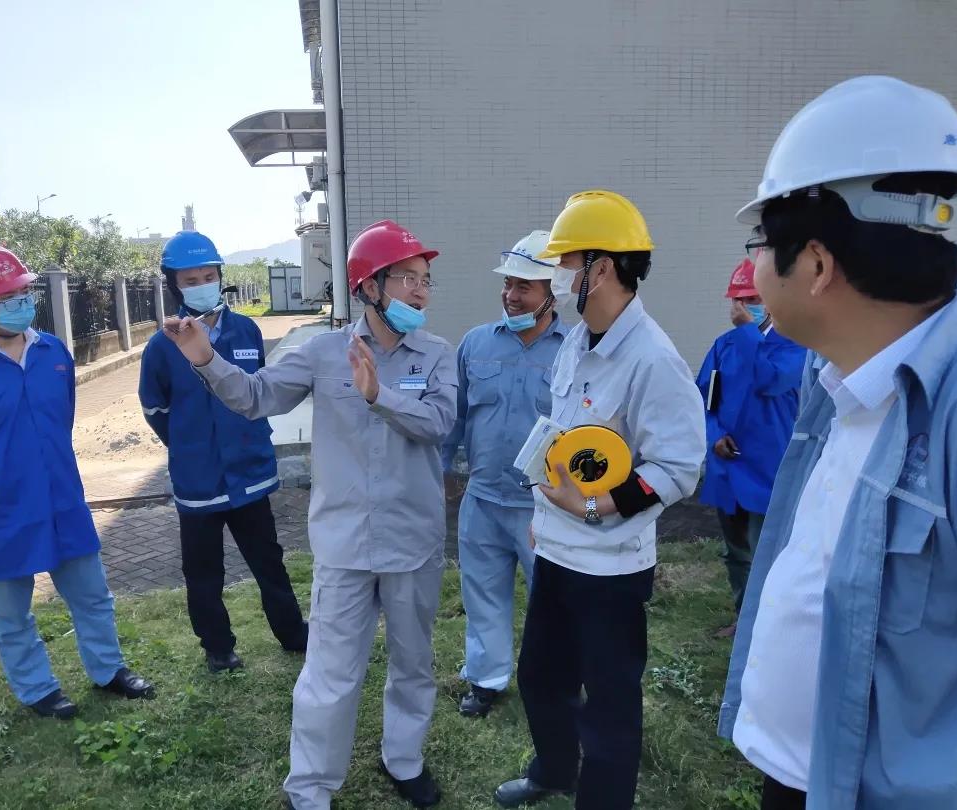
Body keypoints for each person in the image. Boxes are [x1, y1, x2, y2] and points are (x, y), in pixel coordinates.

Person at [718, 75, 957, 809]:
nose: (752, 271)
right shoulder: (832, 377)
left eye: (760, 244)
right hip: (806, 775)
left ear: (817, 264)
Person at [160, 219, 456, 810]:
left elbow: (439, 424)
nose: (421, 290)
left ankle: (404, 760)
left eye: (426, 280)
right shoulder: (323, 352)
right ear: (369, 286)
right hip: (345, 543)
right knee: (330, 671)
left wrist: (379, 396)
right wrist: (205, 359)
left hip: (413, 541)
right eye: (408, 278)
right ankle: (312, 787)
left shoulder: (438, 355)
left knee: (413, 662)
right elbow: (254, 398)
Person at [494, 191, 706, 809]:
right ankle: (555, 770)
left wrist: (593, 508)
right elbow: (564, 433)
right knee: (541, 678)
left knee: (609, 707)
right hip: (556, 551)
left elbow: (676, 469)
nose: (557, 276)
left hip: (610, 569)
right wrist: (545, 513)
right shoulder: (580, 339)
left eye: (566, 263)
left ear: (603, 267)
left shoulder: (653, 359)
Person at [0, 244, 154, 719]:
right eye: (5, 296)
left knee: (92, 594)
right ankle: (37, 689)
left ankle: (109, 670)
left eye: (22, 292)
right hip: (0, 509)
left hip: (62, 499)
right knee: (12, 611)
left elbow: (61, 418)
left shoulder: (54, 353)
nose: (19, 302)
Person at [139, 230, 307, 673]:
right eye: (190, 280)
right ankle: (218, 648)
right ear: (175, 285)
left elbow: (261, 390)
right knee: (203, 573)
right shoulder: (161, 346)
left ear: (220, 276)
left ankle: (293, 633)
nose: (202, 285)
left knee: (269, 562)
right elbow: (155, 409)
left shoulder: (247, 330)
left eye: (208, 276)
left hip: (249, 473)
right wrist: (189, 445)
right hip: (198, 482)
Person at [441, 230, 567, 718]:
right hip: (483, 499)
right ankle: (486, 679)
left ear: (552, 293)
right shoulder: (476, 344)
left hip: (546, 505)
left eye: (524, 286)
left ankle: (554, 679)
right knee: (483, 596)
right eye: (508, 284)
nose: (511, 295)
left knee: (553, 601)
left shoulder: (574, 351)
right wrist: (441, 470)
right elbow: (455, 416)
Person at [696, 258, 805, 637]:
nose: (743, 307)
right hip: (729, 467)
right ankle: (745, 620)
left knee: (767, 552)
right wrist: (714, 435)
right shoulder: (723, 346)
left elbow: (770, 379)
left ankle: (772, 626)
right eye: (738, 299)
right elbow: (703, 399)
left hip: (768, 469)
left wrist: (746, 332)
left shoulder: (795, 344)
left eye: (753, 299)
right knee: (737, 552)